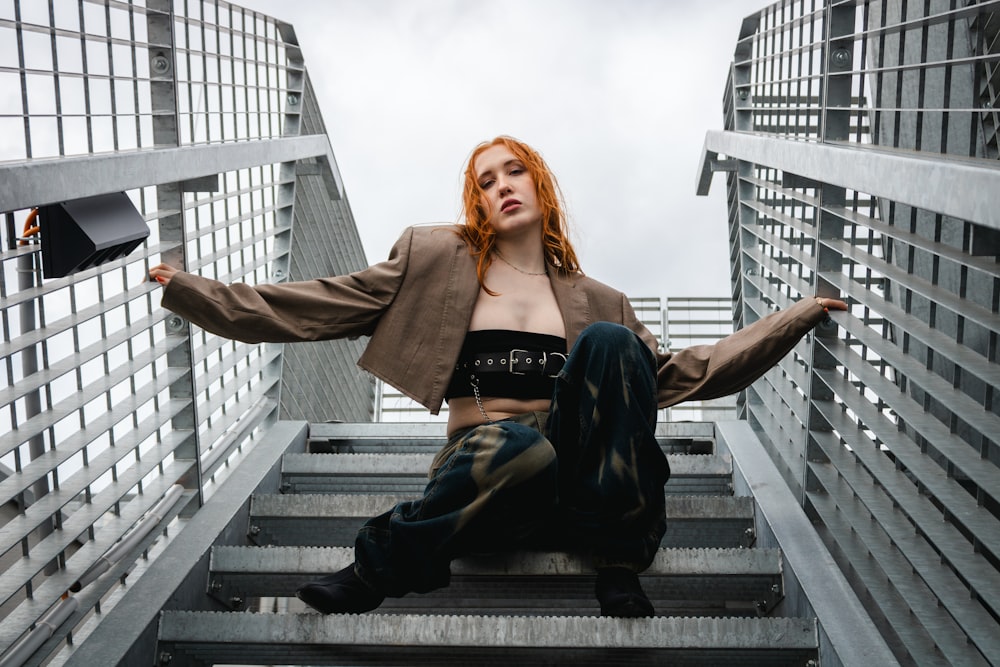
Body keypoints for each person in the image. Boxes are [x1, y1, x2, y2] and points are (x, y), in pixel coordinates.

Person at [149, 135, 846, 618]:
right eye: (484, 181)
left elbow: (691, 373)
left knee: (611, 343)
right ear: (475, 202)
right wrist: (189, 289)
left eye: (511, 170)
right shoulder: (433, 258)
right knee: (520, 445)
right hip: (491, 472)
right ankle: (379, 566)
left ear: (537, 182)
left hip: (579, 488)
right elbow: (310, 306)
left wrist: (800, 316)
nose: (500, 186)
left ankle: (616, 555)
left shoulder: (599, 298)